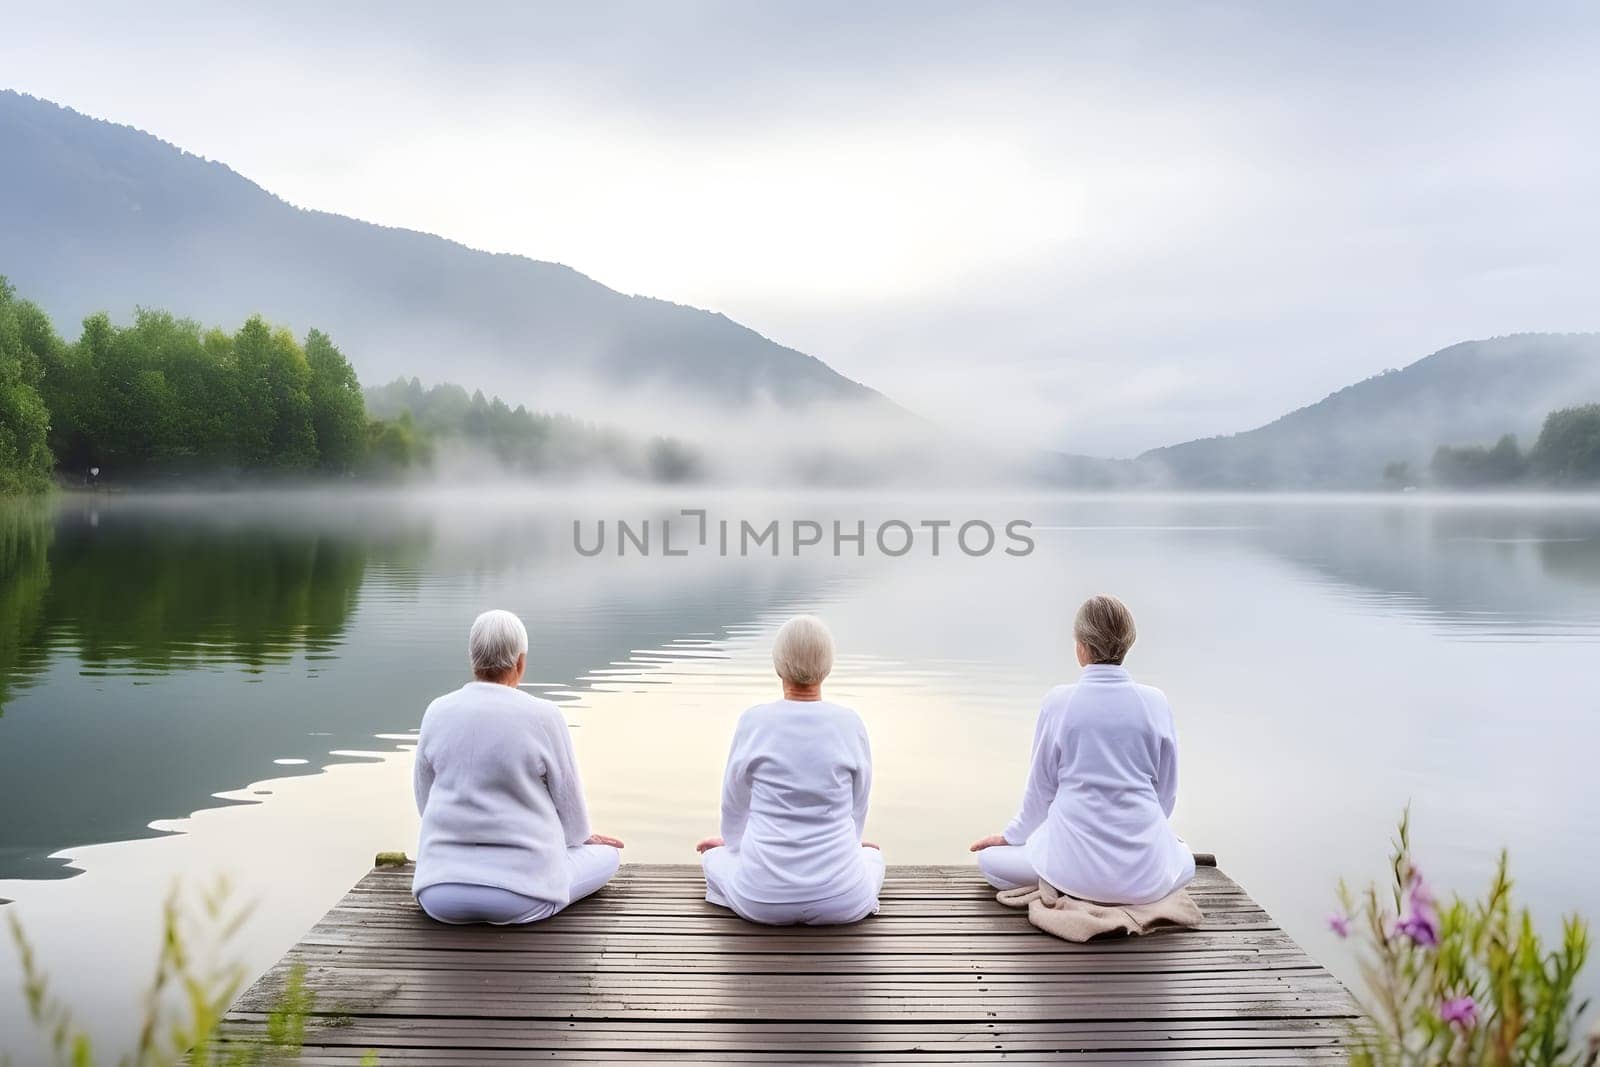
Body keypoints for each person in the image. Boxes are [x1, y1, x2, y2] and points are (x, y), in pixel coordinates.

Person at [970, 594, 1194, 905]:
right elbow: (1166, 794)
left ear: (1081, 646)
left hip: (1071, 872)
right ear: (1128, 643)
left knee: (990, 861)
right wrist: (1154, 836)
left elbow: (1041, 793)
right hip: (1145, 878)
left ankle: (1066, 880)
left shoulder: (1058, 702)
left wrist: (1010, 838)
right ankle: (1148, 867)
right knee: (1186, 859)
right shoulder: (1155, 702)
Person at [412, 609, 624, 924]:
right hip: (521, 896)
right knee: (609, 856)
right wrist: (580, 839)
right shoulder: (544, 716)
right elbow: (573, 817)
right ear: (520, 662)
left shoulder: (436, 711)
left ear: (473, 659)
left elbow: (424, 800)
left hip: (439, 894)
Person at [695, 615, 884, 925]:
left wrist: (733, 845)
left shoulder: (754, 721)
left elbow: (734, 803)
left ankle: (736, 885)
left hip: (761, 901)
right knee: (873, 856)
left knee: (713, 858)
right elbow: (859, 804)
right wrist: (852, 844)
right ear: (828, 666)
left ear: (777, 667)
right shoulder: (850, 722)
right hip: (842, 901)